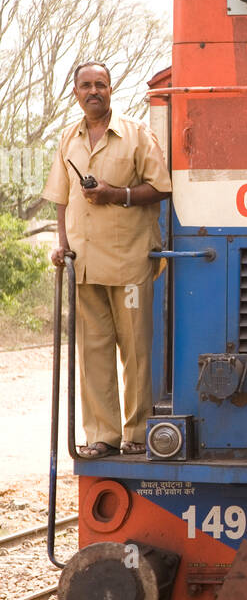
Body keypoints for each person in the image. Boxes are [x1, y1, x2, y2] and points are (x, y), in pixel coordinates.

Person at [42, 61, 172, 457]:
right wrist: (62, 245)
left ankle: (135, 434)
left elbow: (161, 189)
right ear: (76, 93)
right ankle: (103, 435)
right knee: (93, 352)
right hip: (84, 265)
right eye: (86, 85)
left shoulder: (137, 135)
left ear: (111, 89)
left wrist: (117, 194)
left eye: (100, 84)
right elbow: (62, 200)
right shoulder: (68, 139)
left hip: (130, 261)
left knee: (135, 351)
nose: (93, 91)